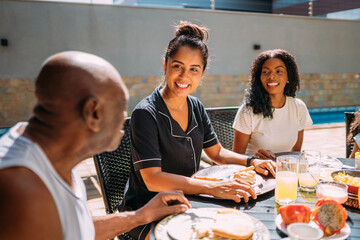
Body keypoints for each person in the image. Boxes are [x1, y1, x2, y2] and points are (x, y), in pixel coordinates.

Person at [0, 51, 191, 240]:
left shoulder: (49, 155)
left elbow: (77, 229)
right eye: (121, 108)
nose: (124, 120)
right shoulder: (23, 193)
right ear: (93, 112)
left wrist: (140, 216)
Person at [121, 21, 276, 239]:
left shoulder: (195, 106)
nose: (185, 77)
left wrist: (252, 162)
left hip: (189, 201)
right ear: (165, 65)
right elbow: (153, 179)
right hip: (147, 211)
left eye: (194, 70)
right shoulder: (146, 113)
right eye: (177, 66)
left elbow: (217, 153)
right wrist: (212, 188)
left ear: (202, 73)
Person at [232, 49, 313, 159]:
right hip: (256, 172)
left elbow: (296, 154)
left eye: (278, 71)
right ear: (259, 78)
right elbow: (236, 157)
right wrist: (254, 157)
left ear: (288, 76)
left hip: (285, 171)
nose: (271, 76)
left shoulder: (298, 107)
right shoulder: (248, 111)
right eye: (265, 72)